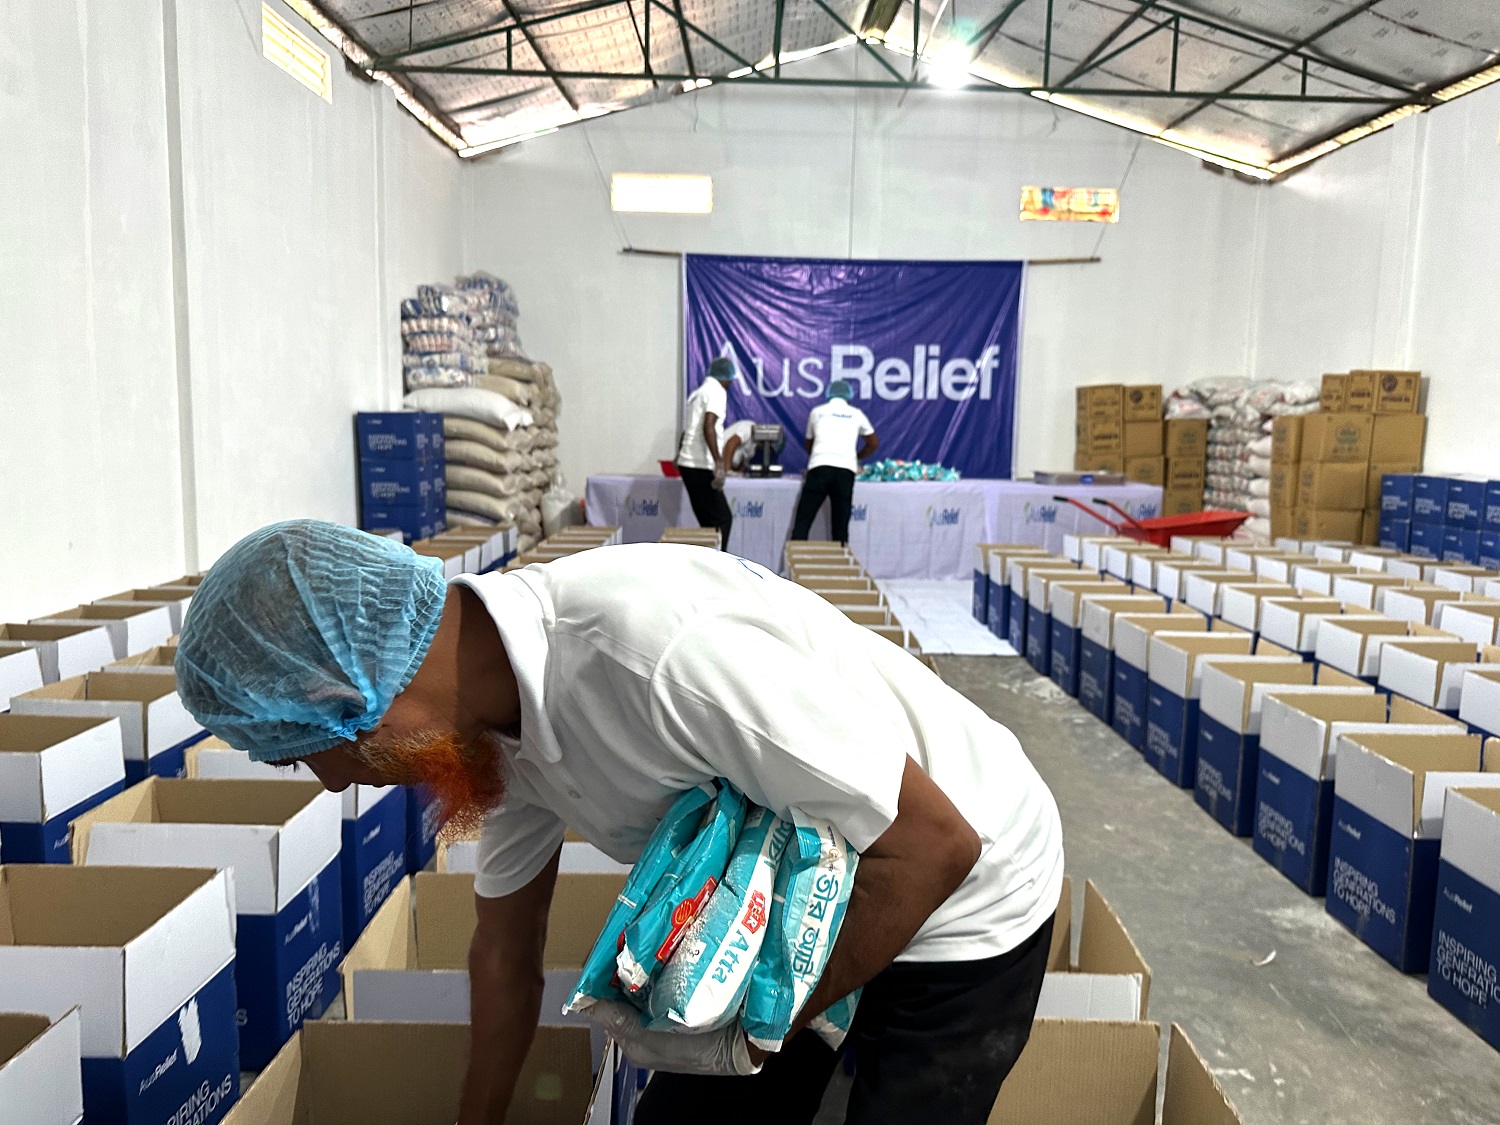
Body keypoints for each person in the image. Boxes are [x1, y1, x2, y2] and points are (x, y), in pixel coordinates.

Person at [175, 521, 1064, 1125]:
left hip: (963, 885)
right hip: (802, 872)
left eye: (309, 754)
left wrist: (753, 1030)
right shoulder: (491, 718)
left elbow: (936, 845)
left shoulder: (654, 659)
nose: (334, 784)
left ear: (360, 698)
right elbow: (505, 952)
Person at [790, 381, 877, 545]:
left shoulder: (817, 412)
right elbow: (873, 443)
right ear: (848, 396)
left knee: (803, 521)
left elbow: (809, 443)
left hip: (819, 467)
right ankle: (841, 558)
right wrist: (856, 457)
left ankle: (793, 558)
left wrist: (818, 456)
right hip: (845, 471)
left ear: (829, 394)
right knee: (840, 528)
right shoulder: (856, 414)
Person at [676, 357, 737, 549]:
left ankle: (708, 560)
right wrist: (718, 462)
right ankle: (719, 562)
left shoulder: (697, 393)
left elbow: (688, 430)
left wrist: (679, 454)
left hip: (687, 464)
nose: (730, 384)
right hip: (700, 464)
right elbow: (708, 425)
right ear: (725, 377)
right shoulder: (717, 391)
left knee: (709, 524)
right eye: (730, 380)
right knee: (723, 519)